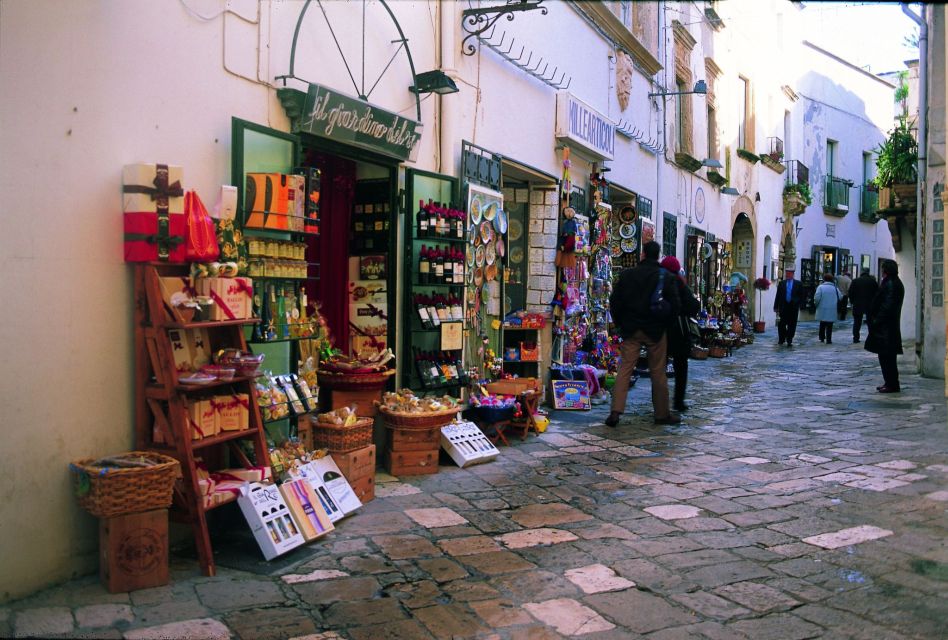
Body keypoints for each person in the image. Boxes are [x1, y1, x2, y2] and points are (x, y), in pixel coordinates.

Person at [607, 241, 681, 427]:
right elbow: (675, 305)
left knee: (625, 369)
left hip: (632, 329)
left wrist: (620, 324)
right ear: (658, 256)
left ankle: (615, 411)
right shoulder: (664, 277)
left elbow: (615, 301)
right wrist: (666, 325)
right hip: (655, 331)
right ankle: (662, 414)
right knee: (658, 372)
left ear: (642, 254)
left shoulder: (627, 275)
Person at [660, 256, 701, 412]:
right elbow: (693, 306)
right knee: (681, 368)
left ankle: (659, 402)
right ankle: (678, 401)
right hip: (678, 330)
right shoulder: (679, 282)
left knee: (658, 369)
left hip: (659, 330)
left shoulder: (657, 280)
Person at [865, 259, 905, 392]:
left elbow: (888, 305)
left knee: (887, 357)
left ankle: (891, 384)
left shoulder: (891, 284)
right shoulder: (893, 282)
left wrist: (876, 320)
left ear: (886, 270)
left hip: (886, 328)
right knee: (886, 357)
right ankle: (889, 382)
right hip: (886, 327)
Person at [773, 267, 804, 347]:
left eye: (789, 273)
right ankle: (781, 339)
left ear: (793, 274)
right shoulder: (782, 283)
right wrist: (776, 306)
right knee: (782, 324)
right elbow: (778, 295)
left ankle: (789, 339)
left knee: (792, 324)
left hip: (793, 306)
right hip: (784, 306)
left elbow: (802, 295)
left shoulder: (798, 284)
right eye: (786, 273)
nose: (787, 275)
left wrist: (798, 303)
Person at [849, 267, 878, 343]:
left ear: (861, 272)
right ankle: (872, 338)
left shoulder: (855, 281)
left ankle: (856, 338)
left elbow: (850, 292)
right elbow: (877, 294)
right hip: (870, 304)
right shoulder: (873, 281)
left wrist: (852, 302)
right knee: (870, 322)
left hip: (857, 304)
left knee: (857, 323)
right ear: (868, 272)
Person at [813, 272, 842, 344]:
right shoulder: (835, 288)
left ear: (824, 279)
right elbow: (840, 297)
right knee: (830, 324)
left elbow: (817, 298)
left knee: (822, 322)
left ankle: (822, 337)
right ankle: (829, 339)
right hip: (832, 308)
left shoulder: (820, 287)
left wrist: (816, 305)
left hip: (822, 308)